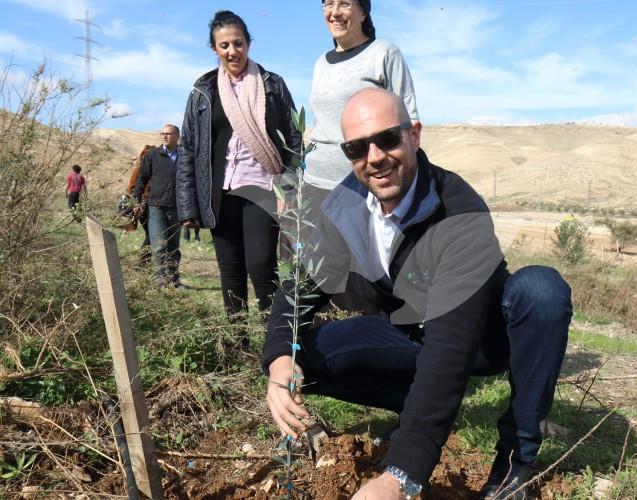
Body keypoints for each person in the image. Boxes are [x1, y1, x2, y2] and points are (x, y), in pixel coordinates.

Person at [263, 89, 572, 500]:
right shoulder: (345, 206)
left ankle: (516, 462)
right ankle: (417, 408)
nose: (374, 157)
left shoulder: (458, 213)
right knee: (302, 355)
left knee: (540, 290)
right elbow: (301, 286)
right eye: (357, 148)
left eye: (387, 139)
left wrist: (400, 477)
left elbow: (449, 350)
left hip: (479, 337)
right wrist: (279, 358)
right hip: (407, 332)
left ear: (414, 135)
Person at [176, 11, 302, 322]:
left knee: (261, 265)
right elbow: (188, 148)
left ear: (248, 43)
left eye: (238, 43)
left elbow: (294, 140)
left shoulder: (272, 85)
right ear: (214, 49)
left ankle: (276, 345)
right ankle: (237, 344)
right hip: (219, 194)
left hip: (261, 190)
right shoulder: (203, 90)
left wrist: (290, 187)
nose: (233, 51)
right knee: (230, 272)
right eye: (224, 46)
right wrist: (187, 205)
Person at [305, 0, 419, 212]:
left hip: (364, 183)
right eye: (328, 4)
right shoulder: (320, 63)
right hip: (315, 180)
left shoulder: (384, 53)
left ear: (364, 12)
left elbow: (408, 119)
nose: (335, 12)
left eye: (344, 4)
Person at [133, 126, 183, 288]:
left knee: (174, 246)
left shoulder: (185, 155)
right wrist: (136, 198)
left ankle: (174, 280)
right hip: (156, 206)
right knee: (159, 245)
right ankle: (159, 280)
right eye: (163, 134)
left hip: (177, 207)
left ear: (177, 136)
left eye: (169, 134)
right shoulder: (153, 155)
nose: (165, 136)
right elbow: (142, 177)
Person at [128, 145, 155, 265]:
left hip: (152, 205)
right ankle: (143, 262)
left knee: (152, 234)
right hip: (144, 206)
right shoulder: (139, 170)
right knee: (152, 234)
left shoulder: (155, 169)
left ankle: (145, 262)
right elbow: (131, 188)